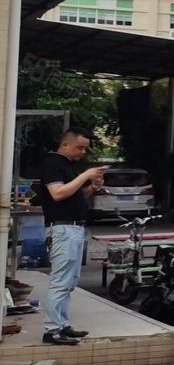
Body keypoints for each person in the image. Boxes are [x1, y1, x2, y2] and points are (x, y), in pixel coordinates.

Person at [37, 128, 104, 346]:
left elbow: (74, 195)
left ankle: (62, 324)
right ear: (65, 144)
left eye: (85, 149)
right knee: (60, 281)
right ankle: (52, 329)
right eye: (79, 148)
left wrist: (91, 187)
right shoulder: (53, 163)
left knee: (69, 281)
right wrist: (85, 175)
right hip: (62, 229)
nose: (83, 152)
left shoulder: (68, 165)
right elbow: (57, 193)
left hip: (74, 228)